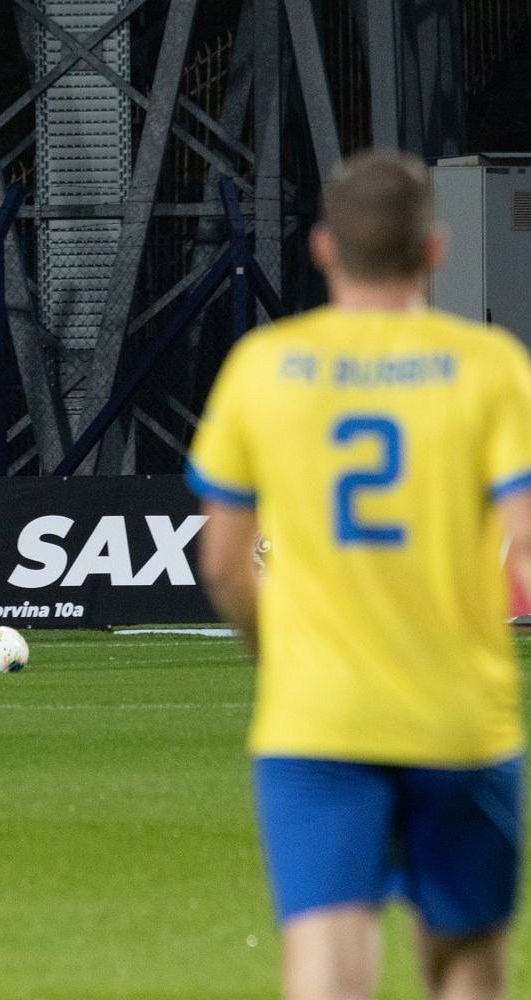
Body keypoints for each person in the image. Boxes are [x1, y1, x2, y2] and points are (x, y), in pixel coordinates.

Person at [187, 149, 531, 1000]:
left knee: (327, 962)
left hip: (318, 718)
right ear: (435, 249)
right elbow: (525, 545)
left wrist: (278, 655)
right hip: (459, 714)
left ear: (323, 248)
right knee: (466, 962)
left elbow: (224, 561)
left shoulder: (264, 365)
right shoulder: (490, 365)